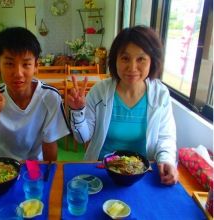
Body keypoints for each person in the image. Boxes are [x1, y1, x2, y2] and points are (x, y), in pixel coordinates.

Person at [67, 25, 178, 185]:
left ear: (152, 61)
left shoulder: (160, 94)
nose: (132, 68)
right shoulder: (100, 91)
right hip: (101, 171)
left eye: (141, 59)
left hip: (143, 174)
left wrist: (166, 160)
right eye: (125, 58)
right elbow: (82, 137)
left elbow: (166, 136)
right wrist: (78, 111)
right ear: (115, 59)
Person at [0, 27, 70, 163]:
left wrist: (47, 178)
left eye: (26, 64)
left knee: (37, 184)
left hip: (33, 165)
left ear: (36, 65)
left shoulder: (50, 97)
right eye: (9, 63)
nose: (18, 73)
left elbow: (49, 148)